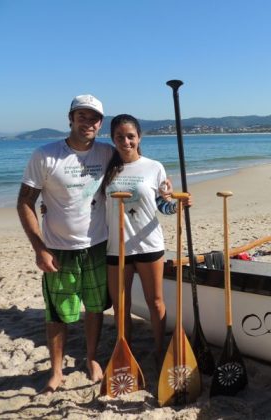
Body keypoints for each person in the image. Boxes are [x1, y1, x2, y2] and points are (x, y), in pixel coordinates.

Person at [17, 94, 114, 394]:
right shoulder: (45, 155)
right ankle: (56, 371)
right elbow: (25, 202)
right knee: (57, 313)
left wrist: (165, 190)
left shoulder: (107, 153)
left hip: (98, 244)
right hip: (58, 249)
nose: (88, 122)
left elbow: (136, 169)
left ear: (100, 123)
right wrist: (39, 248)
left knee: (95, 308)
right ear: (70, 118)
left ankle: (91, 358)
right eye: (82, 116)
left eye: (94, 118)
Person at [100, 114, 188, 363]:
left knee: (155, 301)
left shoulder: (154, 167)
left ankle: (160, 350)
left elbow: (164, 205)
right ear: (113, 138)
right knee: (121, 305)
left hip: (148, 244)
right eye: (120, 136)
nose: (125, 141)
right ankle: (124, 351)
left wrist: (180, 204)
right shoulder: (107, 166)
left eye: (130, 136)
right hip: (116, 248)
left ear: (139, 137)